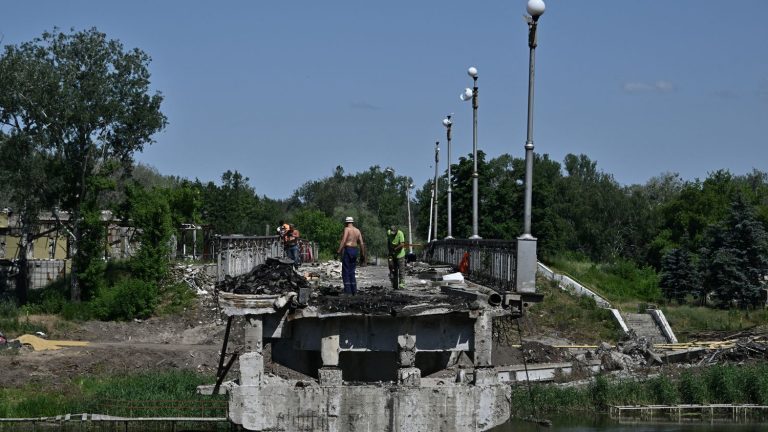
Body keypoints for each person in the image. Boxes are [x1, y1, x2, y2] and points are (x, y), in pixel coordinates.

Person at [337, 216, 365, 294]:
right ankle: (354, 291)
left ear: (346, 222)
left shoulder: (347, 229)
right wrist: (362, 255)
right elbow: (362, 243)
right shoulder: (357, 230)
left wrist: (339, 250)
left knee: (345, 271)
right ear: (352, 222)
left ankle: (348, 291)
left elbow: (344, 240)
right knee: (352, 271)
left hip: (348, 249)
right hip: (355, 250)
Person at [387, 224, 406, 290]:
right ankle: (395, 285)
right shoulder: (389, 233)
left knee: (401, 271)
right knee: (393, 269)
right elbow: (388, 242)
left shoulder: (400, 233)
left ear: (397, 231)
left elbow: (402, 244)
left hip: (400, 254)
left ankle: (402, 285)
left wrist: (395, 249)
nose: (393, 234)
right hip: (392, 254)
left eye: (394, 233)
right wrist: (390, 251)